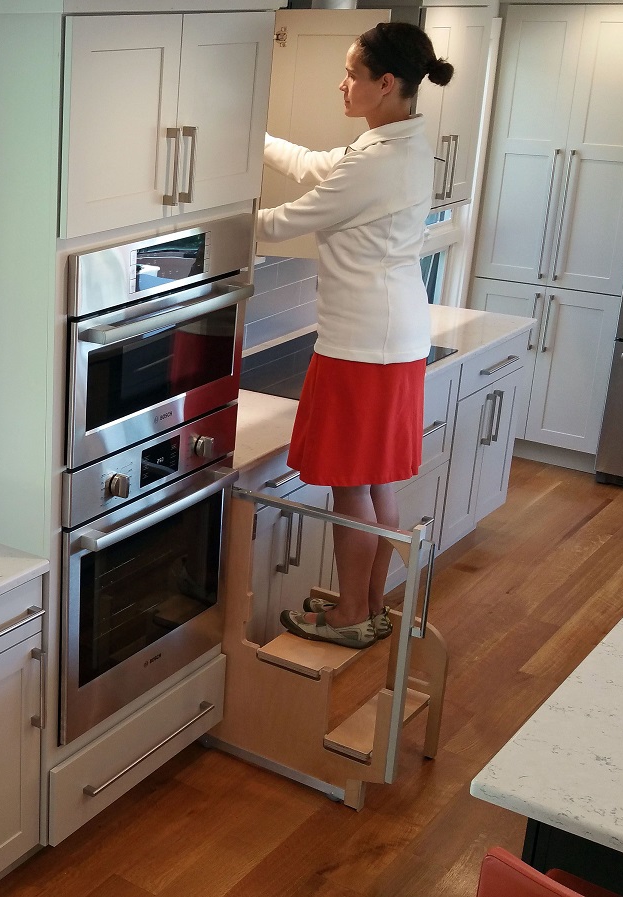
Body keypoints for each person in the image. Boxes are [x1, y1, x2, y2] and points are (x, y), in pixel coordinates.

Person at [256, 21, 454, 650]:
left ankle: (348, 616)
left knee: (351, 489)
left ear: (386, 82)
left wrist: (197, 222)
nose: (342, 85)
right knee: (377, 483)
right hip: (392, 338)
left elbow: (287, 221)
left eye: (352, 74)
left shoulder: (379, 161)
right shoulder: (396, 146)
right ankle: (369, 605)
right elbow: (313, 166)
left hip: (362, 343)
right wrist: (248, 137)